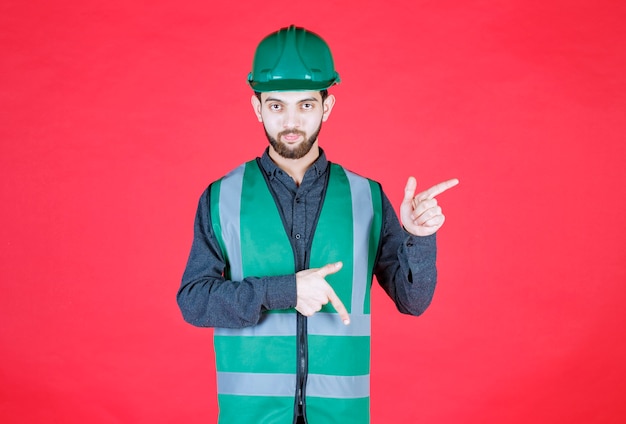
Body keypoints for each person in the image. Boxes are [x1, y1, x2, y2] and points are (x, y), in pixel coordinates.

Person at [177, 25, 458, 424]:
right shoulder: (221, 197)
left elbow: (414, 302)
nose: (291, 121)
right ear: (257, 107)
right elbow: (193, 301)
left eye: (306, 105)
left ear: (327, 106)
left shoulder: (369, 197)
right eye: (277, 106)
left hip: (341, 412)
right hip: (250, 415)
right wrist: (285, 290)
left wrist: (418, 239)